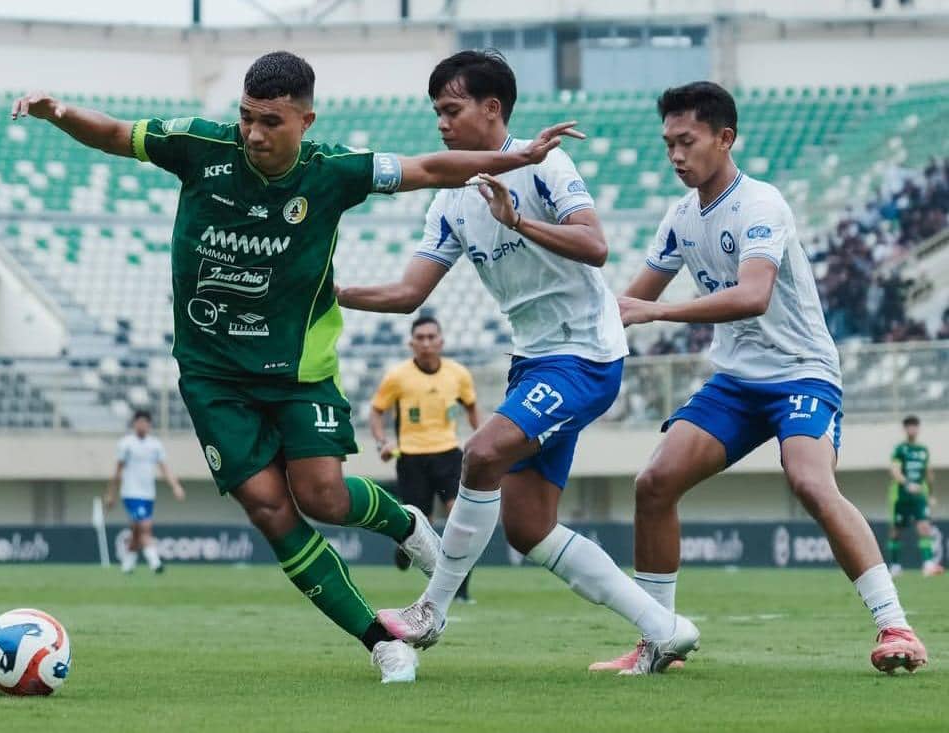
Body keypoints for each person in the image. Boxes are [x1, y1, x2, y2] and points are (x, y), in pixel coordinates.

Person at [12, 49, 581, 684]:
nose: (254, 133)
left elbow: (427, 168)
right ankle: (379, 641)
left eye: (271, 122)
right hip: (212, 372)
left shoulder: (334, 170)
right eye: (247, 117)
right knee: (268, 508)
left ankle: (405, 523)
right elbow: (117, 134)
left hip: (297, 368)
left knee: (324, 498)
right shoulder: (200, 146)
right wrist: (57, 112)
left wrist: (517, 158)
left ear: (305, 121)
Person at [338, 49, 699, 675]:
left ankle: (432, 609)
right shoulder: (450, 197)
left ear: (492, 108)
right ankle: (664, 629)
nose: (442, 124)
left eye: (451, 110)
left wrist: (520, 220)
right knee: (529, 529)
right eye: (437, 113)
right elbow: (407, 295)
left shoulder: (547, 164)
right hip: (533, 361)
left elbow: (596, 245)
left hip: (586, 355)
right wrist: (330, 292)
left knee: (480, 455)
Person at [592, 81, 927, 674]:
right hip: (737, 382)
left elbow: (753, 295)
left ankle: (895, 626)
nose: (674, 155)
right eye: (667, 143)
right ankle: (659, 640)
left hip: (802, 372)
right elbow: (630, 302)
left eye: (686, 141)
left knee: (810, 482)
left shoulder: (762, 205)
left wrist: (659, 311)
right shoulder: (678, 218)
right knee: (654, 483)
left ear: (725, 139)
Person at [371, 315, 480, 601]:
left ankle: (461, 593)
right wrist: (382, 442)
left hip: (449, 456)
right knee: (421, 528)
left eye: (432, 337)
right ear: (411, 343)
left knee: (461, 522)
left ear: (441, 341)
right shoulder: (397, 376)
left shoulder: (458, 374)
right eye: (420, 338)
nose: (427, 342)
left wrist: (481, 440)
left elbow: (472, 409)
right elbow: (376, 411)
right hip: (411, 459)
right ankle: (403, 548)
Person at [104, 410, 186, 574]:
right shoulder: (126, 444)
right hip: (131, 493)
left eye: (145, 422)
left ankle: (127, 565)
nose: (142, 425)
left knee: (137, 531)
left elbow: (164, 469)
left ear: (149, 425)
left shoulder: (155, 445)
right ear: (134, 424)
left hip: (148, 494)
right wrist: (111, 493)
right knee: (145, 527)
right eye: (139, 422)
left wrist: (175, 486)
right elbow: (118, 470)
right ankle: (155, 563)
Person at [887, 415, 940, 577]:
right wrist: (907, 483)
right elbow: (895, 470)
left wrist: (931, 495)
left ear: (918, 428)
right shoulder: (900, 449)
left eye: (914, 426)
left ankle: (928, 565)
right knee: (896, 531)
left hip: (919, 497)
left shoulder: (923, 450)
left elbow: (929, 474)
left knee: (924, 527)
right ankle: (895, 566)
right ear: (905, 429)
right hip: (901, 497)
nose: (912, 429)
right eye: (909, 426)